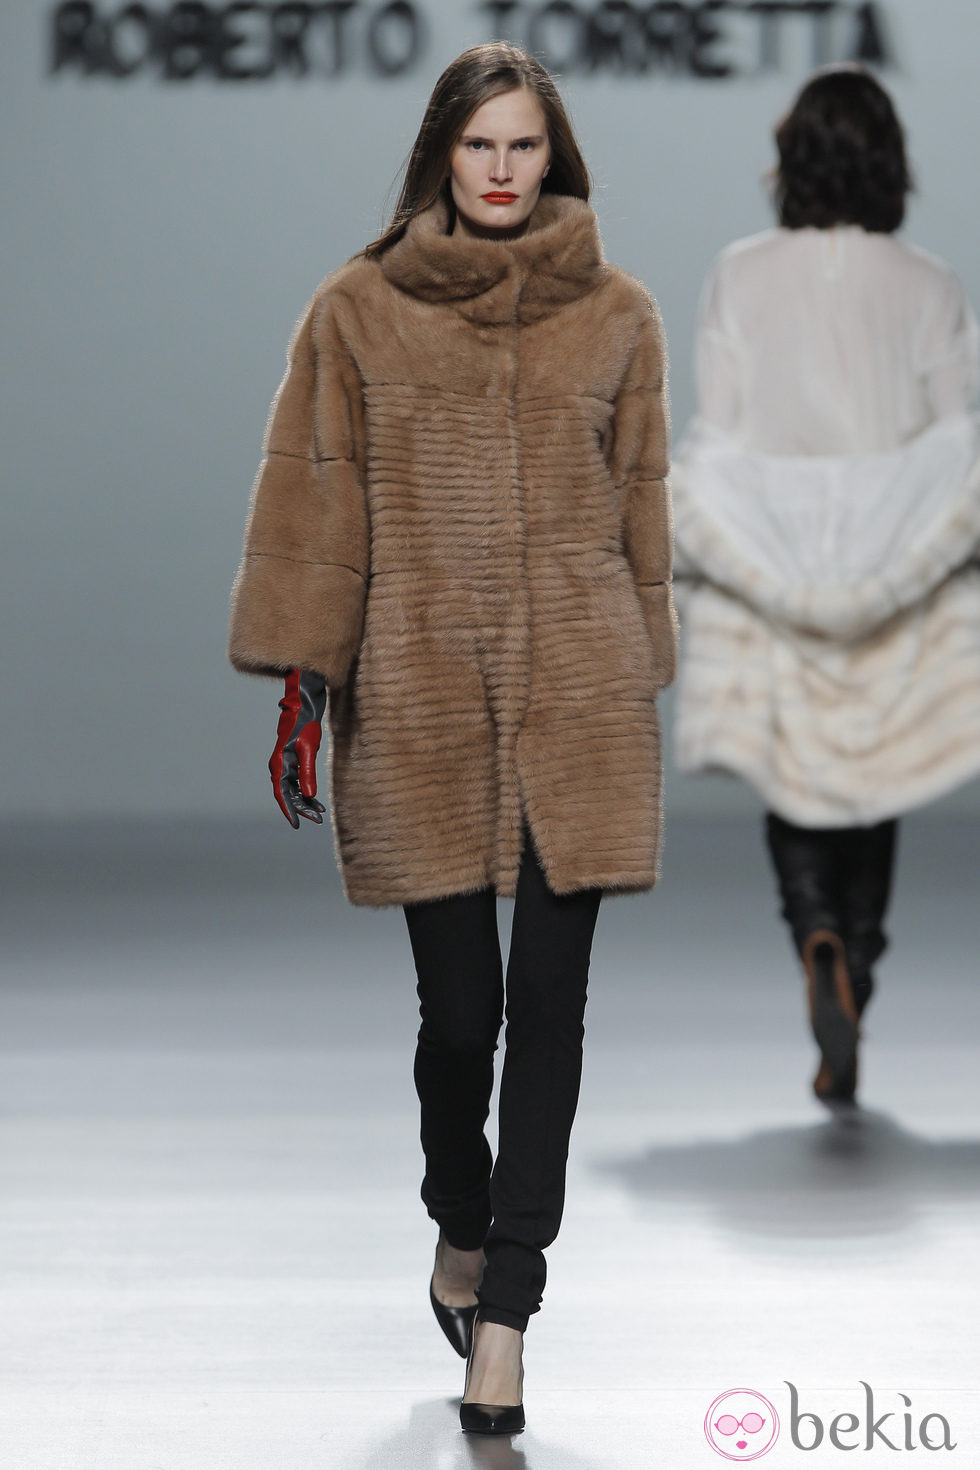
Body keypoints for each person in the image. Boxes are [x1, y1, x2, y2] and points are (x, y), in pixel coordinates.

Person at [228, 42, 676, 1435]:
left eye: (522, 145)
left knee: (549, 1006)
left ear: (554, 155)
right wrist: (305, 683)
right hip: (420, 690)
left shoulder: (619, 317)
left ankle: (509, 1315)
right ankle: (458, 1216)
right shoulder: (357, 312)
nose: (500, 170)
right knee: (461, 1018)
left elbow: (642, 511)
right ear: (440, 153)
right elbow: (317, 506)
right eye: (478, 144)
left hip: (579, 696)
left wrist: (643, 664)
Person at [671, 65, 980, 1106]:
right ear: (890, 160)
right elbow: (953, 439)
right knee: (872, 775)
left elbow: (721, 431)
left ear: (791, 158)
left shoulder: (739, 273)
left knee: (793, 767)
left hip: (774, 548)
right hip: (893, 554)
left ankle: (814, 932)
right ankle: (857, 962)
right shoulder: (929, 283)